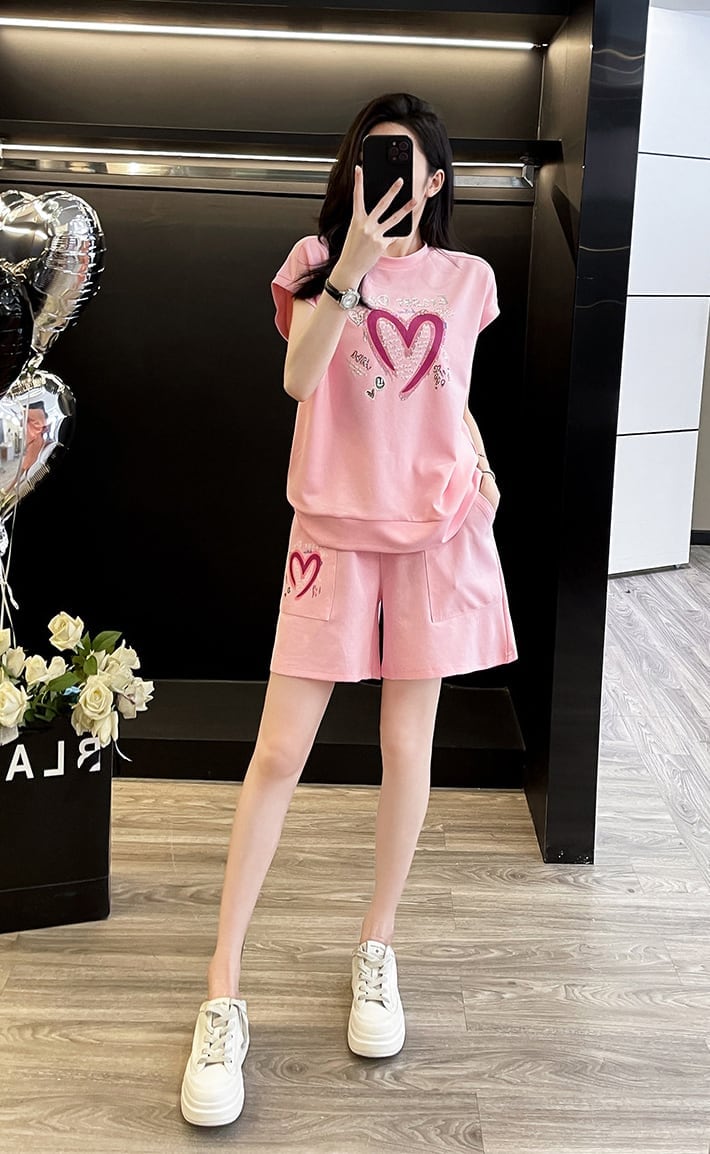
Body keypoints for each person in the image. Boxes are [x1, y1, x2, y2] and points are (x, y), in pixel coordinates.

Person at [180, 91, 518, 1129]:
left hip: (436, 530)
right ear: (353, 169)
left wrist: (479, 456)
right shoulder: (314, 262)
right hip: (330, 526)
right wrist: (352, 268)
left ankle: (377, 945)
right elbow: (299, 378)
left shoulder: (468, 279)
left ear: (437, 180)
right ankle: (222, 985)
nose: (390, 174)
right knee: (278, 752)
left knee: (405, 747)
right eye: (375, 156)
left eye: (409, 160)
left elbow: (446, 388)